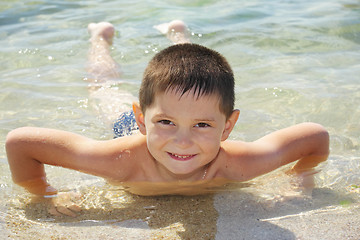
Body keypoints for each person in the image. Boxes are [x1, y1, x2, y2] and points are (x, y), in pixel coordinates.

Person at [5, 20, 329, 216]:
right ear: (143, 119)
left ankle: (177, 34)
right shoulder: (118, 160)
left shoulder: (241, 163)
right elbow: (21, 143)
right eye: (166, 122)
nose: (183, 141)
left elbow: (315, 138)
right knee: (102, 87)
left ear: (228, 126)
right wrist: (44, 193)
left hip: (160, 125)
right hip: (127, 130)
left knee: (192, 77)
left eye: (203, 125)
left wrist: (301, 183)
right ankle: (99, 37)